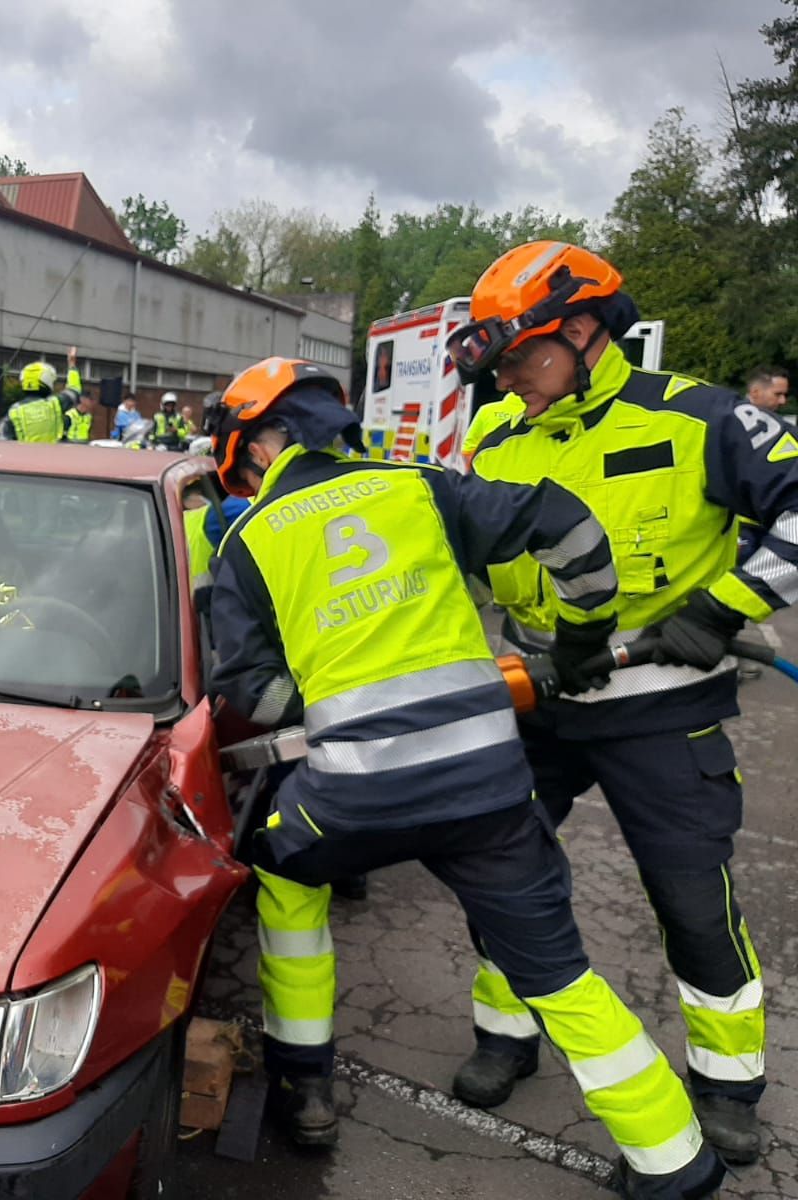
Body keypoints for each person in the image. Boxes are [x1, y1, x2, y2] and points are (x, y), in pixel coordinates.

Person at [208, 356, 724, 1197]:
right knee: (558, 972)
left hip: (351, 800)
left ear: (260, 447)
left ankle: (307, 1088)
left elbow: (251, 695)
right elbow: (573, 529)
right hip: (487, 788)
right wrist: (584, 635)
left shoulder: (248, 538)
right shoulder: (423, 486)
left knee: (283, 873)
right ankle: (677, 1162)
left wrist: (326, 696)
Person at [446, 241, 798, 1166]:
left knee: (691, 900)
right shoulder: (493, 437)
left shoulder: (704, 418)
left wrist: (725, 608)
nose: (510, 379)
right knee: (501, 877)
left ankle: (726, 1087)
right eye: (500, 365)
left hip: (663, 706)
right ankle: (505, 1034)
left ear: (585, 329)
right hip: (538, 700)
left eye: (523, 358)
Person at [461, 393, 524, 469]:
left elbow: (467, 450)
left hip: (486, 476)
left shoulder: (486, 410)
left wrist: (474, 476)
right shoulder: (538, 416)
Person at [745, 365, 791, 429]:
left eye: (785, 395)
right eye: (777, 394)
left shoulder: (778, 424)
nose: (783, 401)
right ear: (755, 393)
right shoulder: (732, 423)